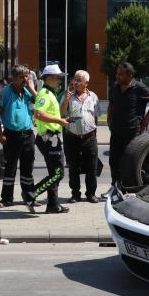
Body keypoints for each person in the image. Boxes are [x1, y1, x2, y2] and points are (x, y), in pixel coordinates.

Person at [107, 62, 149, 190]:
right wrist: (109, 118)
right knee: (114, 160)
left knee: (129, 161)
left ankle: (129, 186)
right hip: (116, 130)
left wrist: (147, 119)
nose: (117, 76)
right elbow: (111, 103)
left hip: (132, 131)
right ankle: (115, 185)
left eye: (120, 74)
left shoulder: (139, 87)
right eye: (117, 73)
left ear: (129, 75)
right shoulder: (115, 86)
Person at [0, 64, 37, 210]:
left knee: (27, 169)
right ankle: (6, 199)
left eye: (26, 76)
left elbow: (40, 102)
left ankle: (29, 198)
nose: (25, 79)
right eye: (21, 77)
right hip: (11, 136)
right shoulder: (5, 92)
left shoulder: (27, 91)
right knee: (10, 169)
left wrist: (30, 87)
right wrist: (0, 134)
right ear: (13, 78)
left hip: (28, 135)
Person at [31, 65, 70, 214]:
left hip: (52, 138)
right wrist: (59, 121)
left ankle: (53, 204)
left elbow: (57, 114)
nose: (60, 80)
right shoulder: (45, 94)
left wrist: (64, 105)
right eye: (57, 77)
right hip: (49, 138)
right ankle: (31, 194)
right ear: (48, 78)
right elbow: (38, 114)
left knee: (55, 172)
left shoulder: (51, 93)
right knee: (57, 174)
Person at [61, 70, 101, 203]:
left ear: (86, 83)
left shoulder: (93, 96)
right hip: (72, 137)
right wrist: (66, 99)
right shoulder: (68, 96)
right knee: (73, 167)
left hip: (90, 137)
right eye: (75, 79)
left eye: (79, 80)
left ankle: (91, 194)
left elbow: (95, 116)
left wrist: (94, 132)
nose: (75, 82)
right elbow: (61, 114)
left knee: (91, 167)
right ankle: (75, 194)